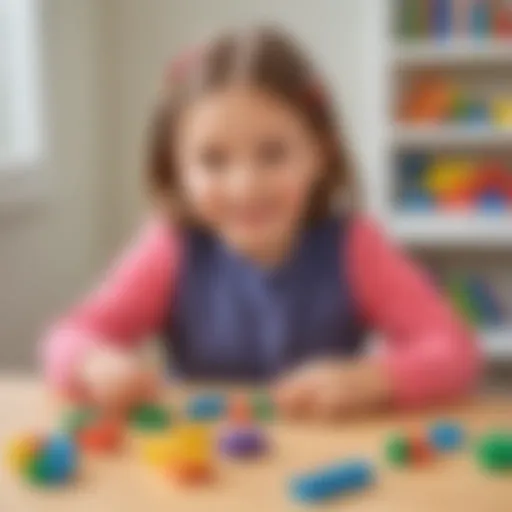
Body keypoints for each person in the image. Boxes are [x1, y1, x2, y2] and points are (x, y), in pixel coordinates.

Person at [41, 26, 480, 419]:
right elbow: (67, 338)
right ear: (176, 169)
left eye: (272, 153)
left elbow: (454, 350)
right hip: (204, 473)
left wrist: (372, 380)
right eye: (213, 160)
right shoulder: (171, 246)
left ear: (319, 154)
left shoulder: (356, 246)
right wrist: (95, 364)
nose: (245, 186)